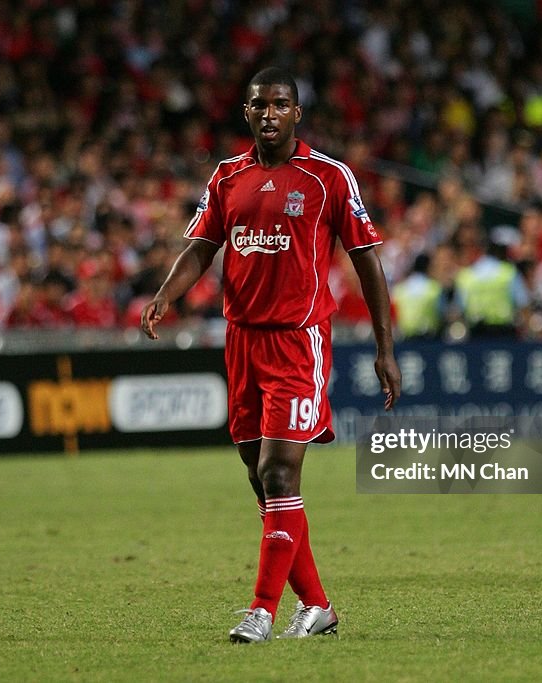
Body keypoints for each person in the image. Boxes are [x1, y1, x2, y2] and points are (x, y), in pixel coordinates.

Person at [141, 67, 401, 643]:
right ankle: (318, 606)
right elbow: (200, 247)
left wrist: (385, 348)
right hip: (242, 343)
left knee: (279, 472)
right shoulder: (227, 176)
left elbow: (368, 262)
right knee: (265, 485)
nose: (269, 114)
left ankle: (261, 611)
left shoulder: (328, 177)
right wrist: (166, 293)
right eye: (259, 105)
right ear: (247, 113)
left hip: (297, 340)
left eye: (281, 104)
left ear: (297, 113)